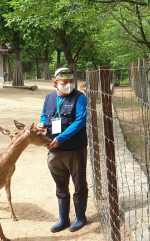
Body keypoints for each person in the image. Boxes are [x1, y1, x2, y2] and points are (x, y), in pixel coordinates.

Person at [37, 68, 88, 233]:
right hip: (54, 151)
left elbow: (80, 121)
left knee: (79, 183)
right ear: (55, 83)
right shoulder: (49, 98)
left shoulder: (79, 98)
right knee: (60, 184)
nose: (68, 85)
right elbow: (45, 115)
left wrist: (61, 138)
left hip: (74, 150)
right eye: (64, 82)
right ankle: (63, 219)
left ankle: (80, 217)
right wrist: (42, 123)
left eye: (71, 81)